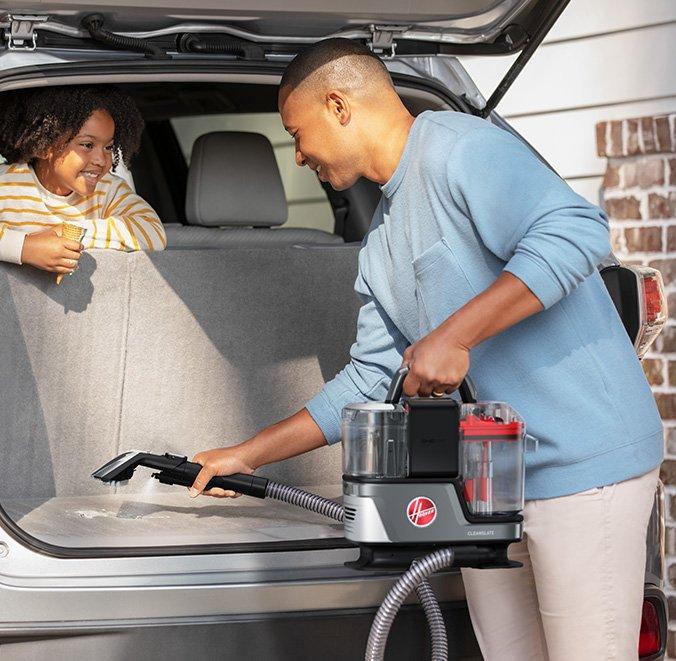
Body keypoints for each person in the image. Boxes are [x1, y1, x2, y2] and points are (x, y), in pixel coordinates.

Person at [188, 39, 663, 660]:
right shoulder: (381, 241)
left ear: (338, 106)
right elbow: (368, 378)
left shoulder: (461, 150)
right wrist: (250, 454)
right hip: (493, 483)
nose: (298, 154)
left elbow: (576, 231)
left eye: (297, 133)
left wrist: (454, 333)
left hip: (583, 467)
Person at [0, 85, 166, 276]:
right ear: (45, 146)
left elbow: (153, 231)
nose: (102, 160)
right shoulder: (7, 185)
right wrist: (24, 247)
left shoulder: (108, 190)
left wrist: (70, 232)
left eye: (109, 147)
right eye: (87, 145)